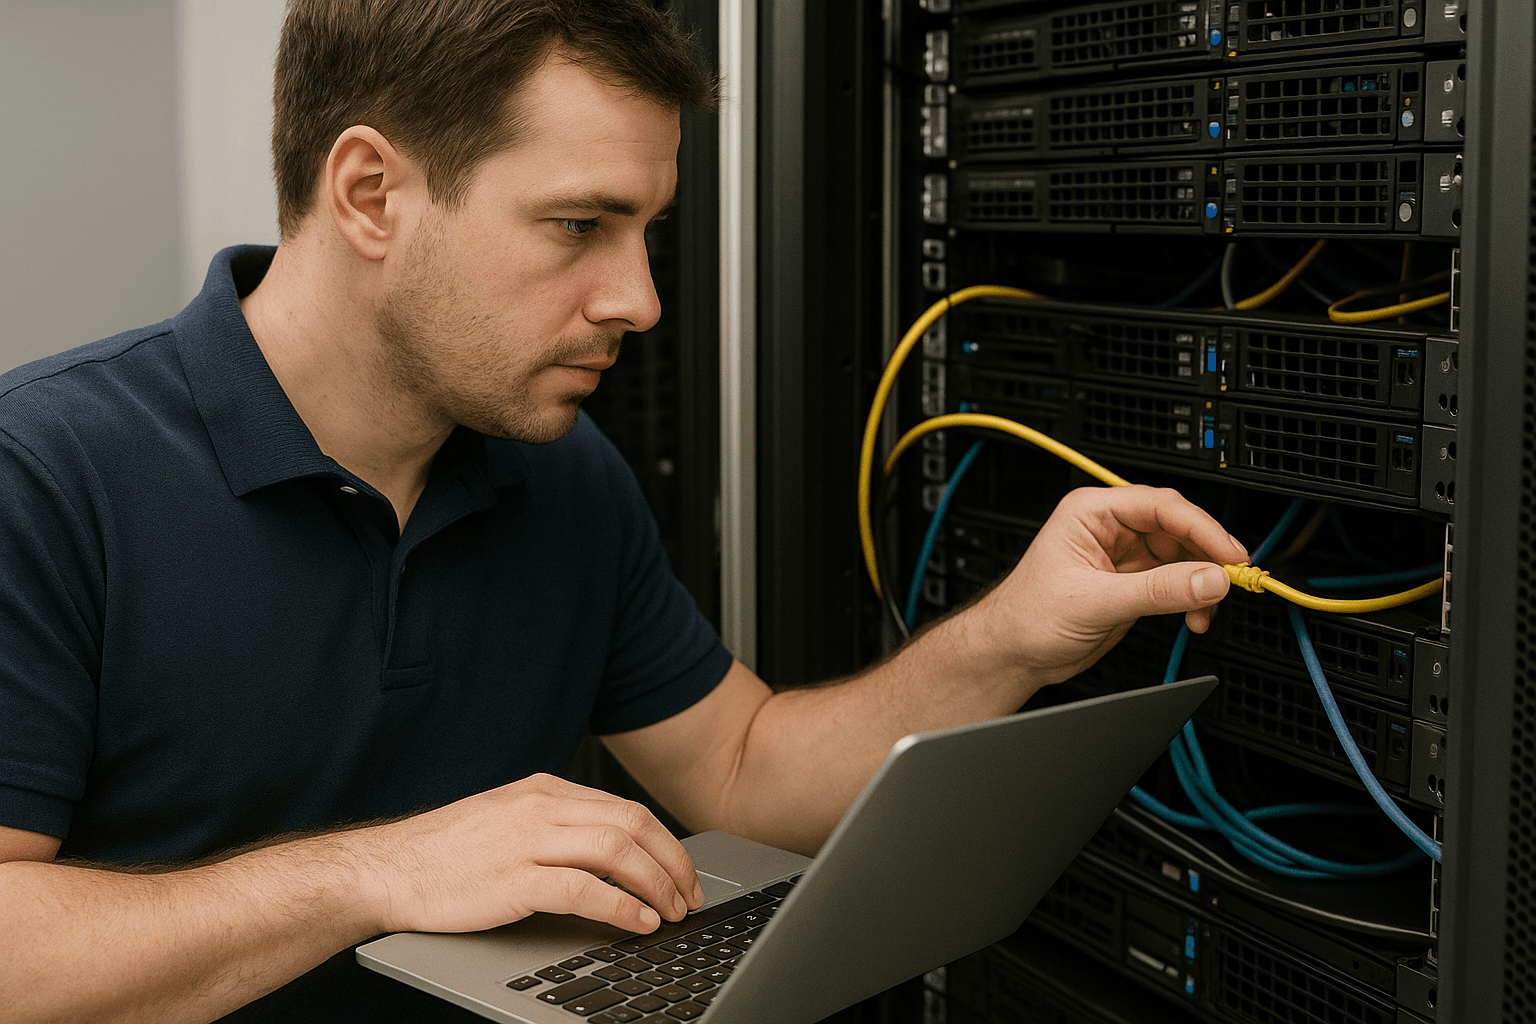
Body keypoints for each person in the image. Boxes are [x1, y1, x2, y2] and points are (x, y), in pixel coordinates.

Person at [0, 2, 1248, 1022]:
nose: (641, 299)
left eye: (648, 231)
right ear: (372, 193)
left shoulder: (560, 473)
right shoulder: (46, 472)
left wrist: (1011, 637)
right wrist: (378, 869)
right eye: (579, 226)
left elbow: (743, 772)